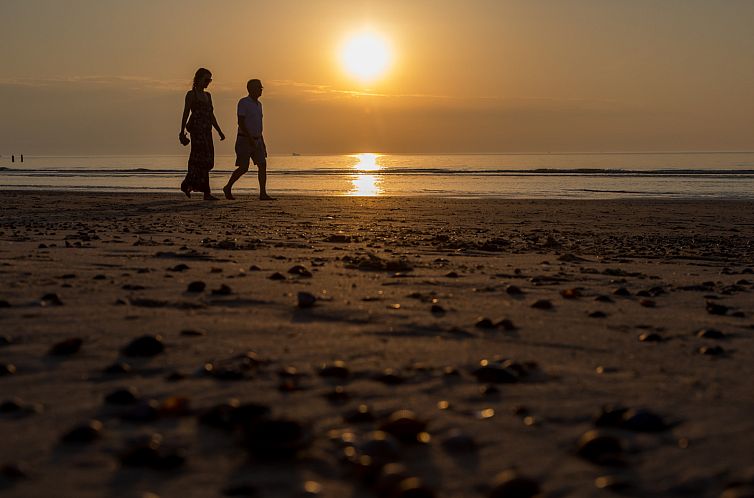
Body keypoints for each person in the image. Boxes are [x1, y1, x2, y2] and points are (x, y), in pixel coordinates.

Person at [223, 79, 273, 200]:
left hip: (258, 139)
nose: (261, 90)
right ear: (251, 89)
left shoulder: (259, 105)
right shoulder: (243, 102)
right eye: (258, 88)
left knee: (262, 164)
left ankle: (263, 193)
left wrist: (262, 142)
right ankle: (228, 187)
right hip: (244, 139)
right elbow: (241, 122)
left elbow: (258, 125)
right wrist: (250, 138)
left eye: (261, 88)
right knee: (244, 167)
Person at [179, 68, 225, 200]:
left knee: (209, 161)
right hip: (197, 132)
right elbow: (186, 113)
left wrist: (219, 130)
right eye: (206, 79)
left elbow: (211, 115)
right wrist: (182, 131)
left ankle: (187, 184)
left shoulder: (208, 96)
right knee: (199, 160)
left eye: (210, 80)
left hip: (207, 131)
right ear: (198, 79)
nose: (208, 82)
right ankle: (206, 192)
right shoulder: (191, 95)